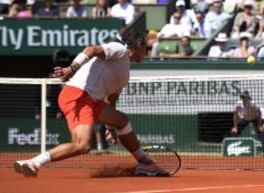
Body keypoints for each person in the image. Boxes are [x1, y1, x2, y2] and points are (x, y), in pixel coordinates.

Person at [13, 31, 167, 177]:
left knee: (121, 120)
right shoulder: (120, 49)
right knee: (82, 145)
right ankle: (34, 163)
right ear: (138, 45)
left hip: (91, 100)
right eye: (146, 47)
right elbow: (91, 49)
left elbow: (111, 100)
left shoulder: (124, 73)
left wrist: (110, 126)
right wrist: (72, 68)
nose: (147, 51)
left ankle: (145, 163)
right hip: (78, 95)